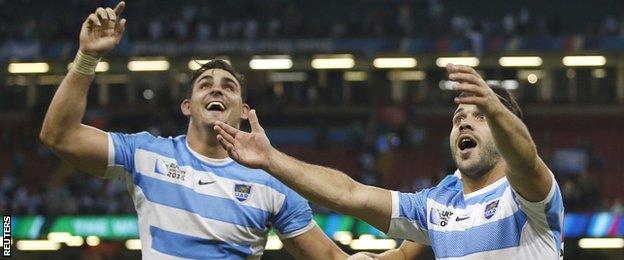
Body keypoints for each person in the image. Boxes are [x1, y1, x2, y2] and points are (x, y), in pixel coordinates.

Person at [39, 2, 347, 259]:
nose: (217, 91)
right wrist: (87, 58)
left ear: (243, 109)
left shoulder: (274, 185)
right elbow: (59, 136)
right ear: (187, 106)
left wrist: (398, 253)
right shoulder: (144, 154)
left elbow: (332, 258)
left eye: (228, 87)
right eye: (205, 85)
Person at [214, 64, 564, 259]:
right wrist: (270, 159)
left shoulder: (527, 197)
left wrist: (494, 106)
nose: (465, 122)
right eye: (458, 118)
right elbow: (351, 194)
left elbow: (525, 159)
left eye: (481, 116)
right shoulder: (437, 205)